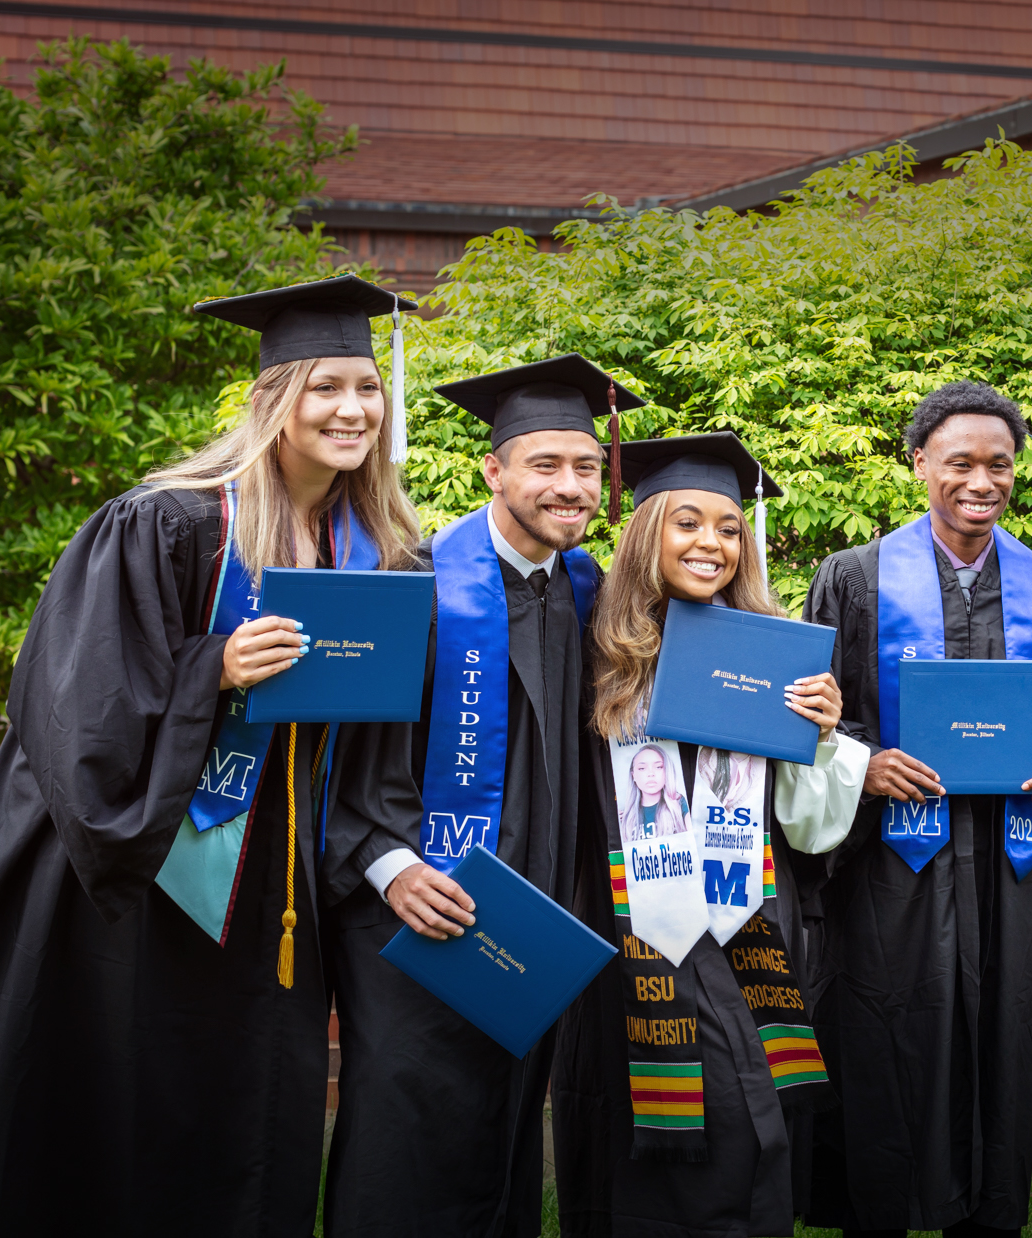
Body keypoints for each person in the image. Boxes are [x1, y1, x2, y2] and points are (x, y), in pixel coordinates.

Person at [0, 273, 420, 1235]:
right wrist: (215, 670)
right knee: (127, 1101)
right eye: (325, 387)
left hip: (271, 883)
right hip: (130, 871)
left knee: (248, 1105)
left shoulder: (376, 551)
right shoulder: (170, 521)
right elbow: (77, 706)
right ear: (272, 400)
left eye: (367, 389)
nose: (352, 410)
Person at [319, 354, 637, 1236]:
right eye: (544, 465)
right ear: (493, 471)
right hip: (417, 913)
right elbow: (337, 759)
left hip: (535, 922)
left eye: (584, 467)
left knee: (505, 1130)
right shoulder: (410, 579)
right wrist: (388, 868)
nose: (569, 486)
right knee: (411, 1130)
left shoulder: (596, 597)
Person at [801, 381, 1032, 1238]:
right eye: (960, 463)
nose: (982, 480)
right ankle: (882, 1215)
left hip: (1002, 870)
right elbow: (818, 714)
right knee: (885, 1038)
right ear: (919, 466)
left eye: (999, 463)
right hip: (890, 870)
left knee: (997, 1048)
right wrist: (864, 765)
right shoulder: (855, 579)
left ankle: (987, 1217)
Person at [553, 431, 870, 1238]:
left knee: (744, 1128)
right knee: (637, 1145)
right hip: (627, 935)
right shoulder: (590, 648)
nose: (713, 545)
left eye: (729, 529)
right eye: (688, 523)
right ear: (647, 530)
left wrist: (824, 736)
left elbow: (810, 826)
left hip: (742, 925)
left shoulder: (767, 655)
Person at [621, 742, 692, 841]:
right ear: (633, 775)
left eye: (658, 767)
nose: (651, 774)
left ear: (667, 771)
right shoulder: (626, 816)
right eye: (642, 768)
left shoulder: (680, 802)